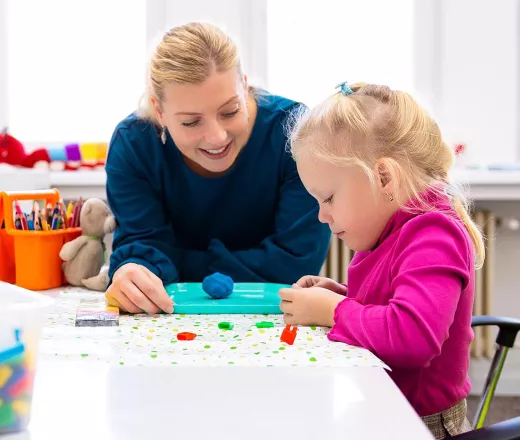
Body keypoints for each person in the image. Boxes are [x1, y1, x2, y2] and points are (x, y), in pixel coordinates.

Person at [279, 81, 484, 439]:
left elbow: (412, 336)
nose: (321, 217)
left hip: (420, 425)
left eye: (327, 198)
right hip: (384, 408)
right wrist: (342, 296)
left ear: (384, 177)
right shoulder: (392, 229)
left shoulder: (434, 234)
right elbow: (393, 302)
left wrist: (333, 311)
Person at [104, 22, 330, 315]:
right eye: (190, 122)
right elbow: (142, 247)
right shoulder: (133, 145)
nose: (217, 137)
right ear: (158, 111)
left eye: (230, 111)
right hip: (171, 319)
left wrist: (174, 263)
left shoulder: (295, 133)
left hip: (276, 316)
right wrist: (133, 272)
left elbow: (296, 263)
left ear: (245, 85)